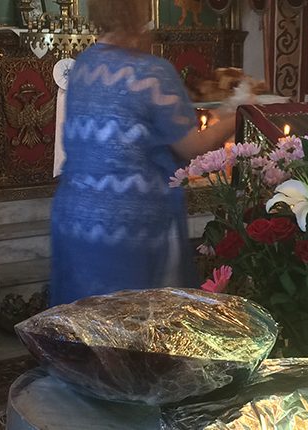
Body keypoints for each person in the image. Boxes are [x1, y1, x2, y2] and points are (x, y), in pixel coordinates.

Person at [49, 0, 237, 306]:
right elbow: (193, 147)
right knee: (138, 331)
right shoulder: (152, 72)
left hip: (75, 218)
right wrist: (237, 115)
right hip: (128, 228)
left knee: (84, 328)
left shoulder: (83, 65)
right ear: (139, 12)